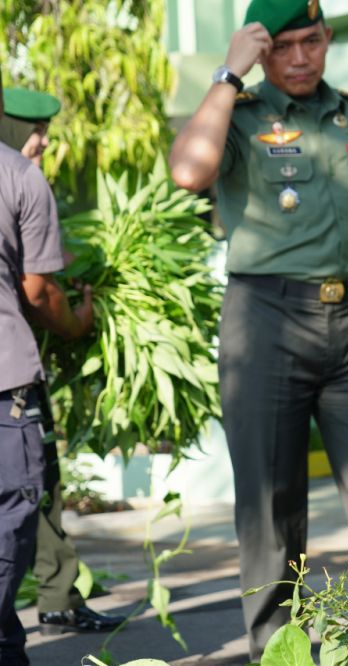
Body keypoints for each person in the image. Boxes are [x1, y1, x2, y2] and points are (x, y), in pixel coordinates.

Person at [168, 0, 348, 657]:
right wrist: (227, 74)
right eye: (283, 46)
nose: (301, 57)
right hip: (266, 323)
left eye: (312, 41)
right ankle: (278, 653)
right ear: (259, 49)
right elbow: (188, 171)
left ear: (328, 38)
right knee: (271, 509)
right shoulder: (239, 115)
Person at [0, 86, 126, 638]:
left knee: (38, 483)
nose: (45, 141)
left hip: (20, 369)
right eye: (36, 130)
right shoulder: (20, 180)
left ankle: (57, 593)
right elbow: (38, 290)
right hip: (11, 377)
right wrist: (77, 322)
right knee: (20, 498)